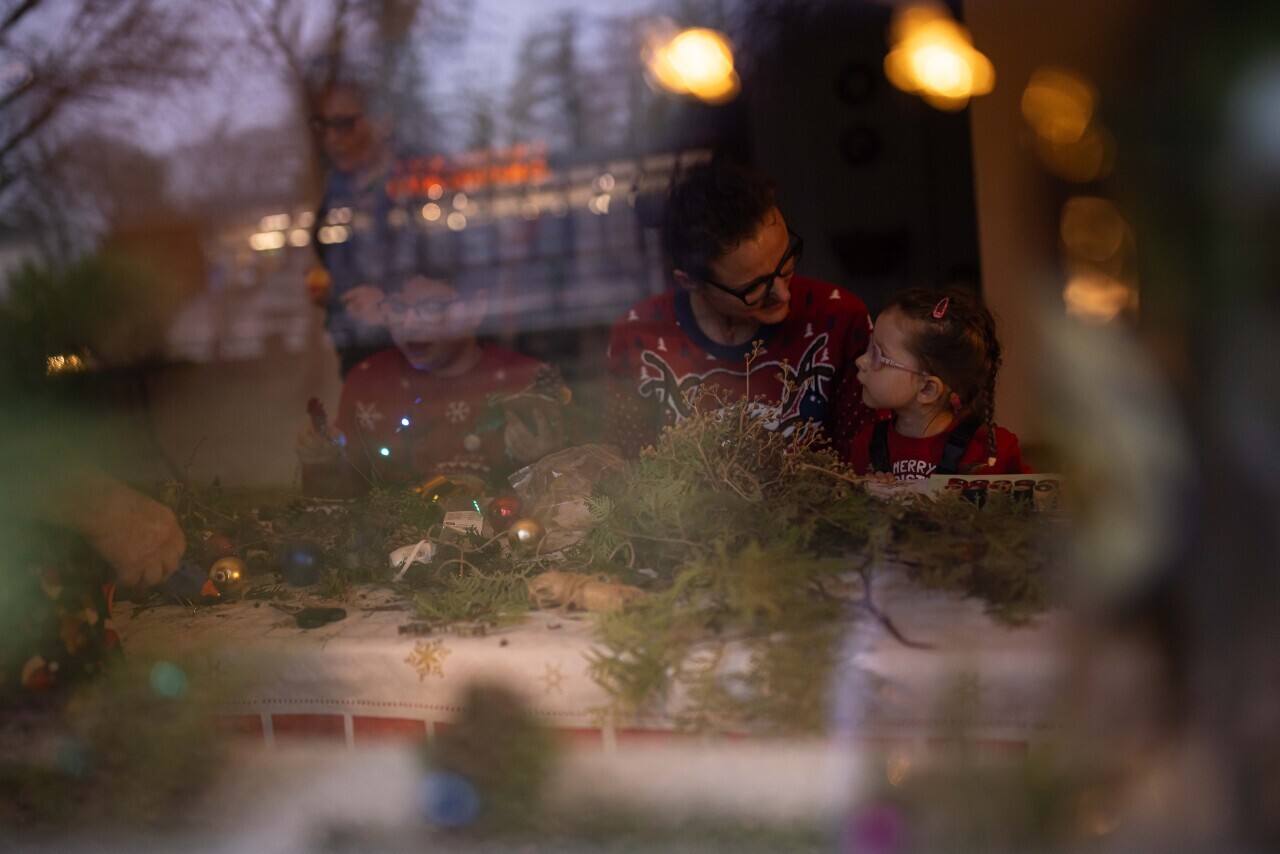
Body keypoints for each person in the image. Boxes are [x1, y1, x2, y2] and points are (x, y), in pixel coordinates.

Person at [603, 159, 877, 458]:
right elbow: (628, 469)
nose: (783, 293)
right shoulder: (638, 336)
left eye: (786, 262)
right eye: (754, 287)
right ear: (690, 281)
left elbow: (871, 464)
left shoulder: (838, 318)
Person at [295, 270, 568, 491]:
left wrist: (546, 460)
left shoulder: (525, 381)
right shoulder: (369, 381)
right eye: (398, 307)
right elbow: (348, 496)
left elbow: (575, 498)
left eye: (432, 308)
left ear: (476, 307)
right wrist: (323, 460)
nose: (410, 323)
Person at [847, 287, 1033, 480]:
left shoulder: (992, 451)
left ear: (927, 388)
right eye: (869, 345)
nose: (860, 361)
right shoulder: (865, 446)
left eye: (878, 354)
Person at [308, 77, 426, 377]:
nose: (331, 139)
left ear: (382, 122)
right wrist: (333, 295)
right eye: (323, 126)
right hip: (363, 362)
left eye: (344, 125)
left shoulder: (419, 181)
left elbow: (449, 278)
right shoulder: (336, 190)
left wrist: (388, 304)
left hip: (422, 362)